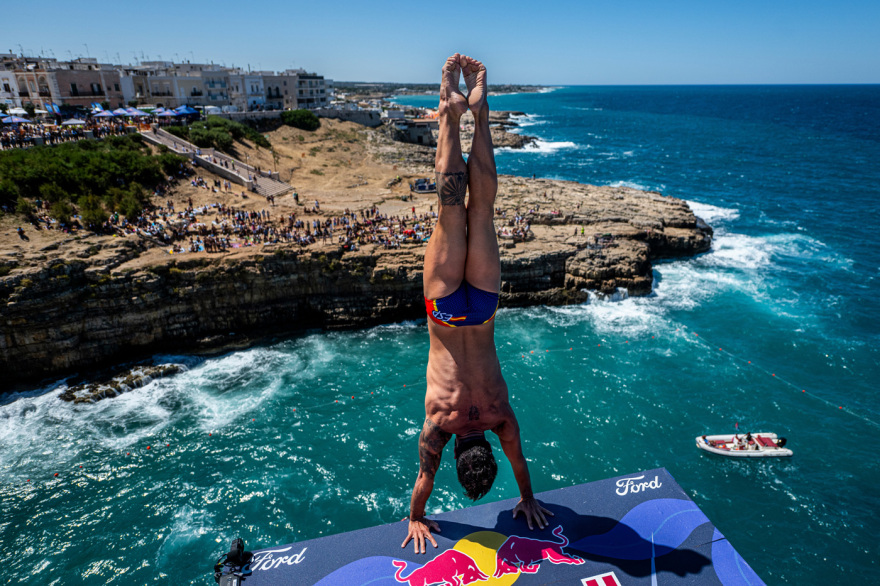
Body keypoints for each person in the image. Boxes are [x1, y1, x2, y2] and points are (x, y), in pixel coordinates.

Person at [402, 54, 552, 555]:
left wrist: (527, 498)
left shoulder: (500, 417)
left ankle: (479, 113)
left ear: (484, 446)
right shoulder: (439, 427)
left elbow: (521, 467)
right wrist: (416, 520)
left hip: (483, 307)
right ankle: (449, 106)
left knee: (481, 211)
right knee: (450, 210)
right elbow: (423, 482)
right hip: (445, 311)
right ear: (459, 452)